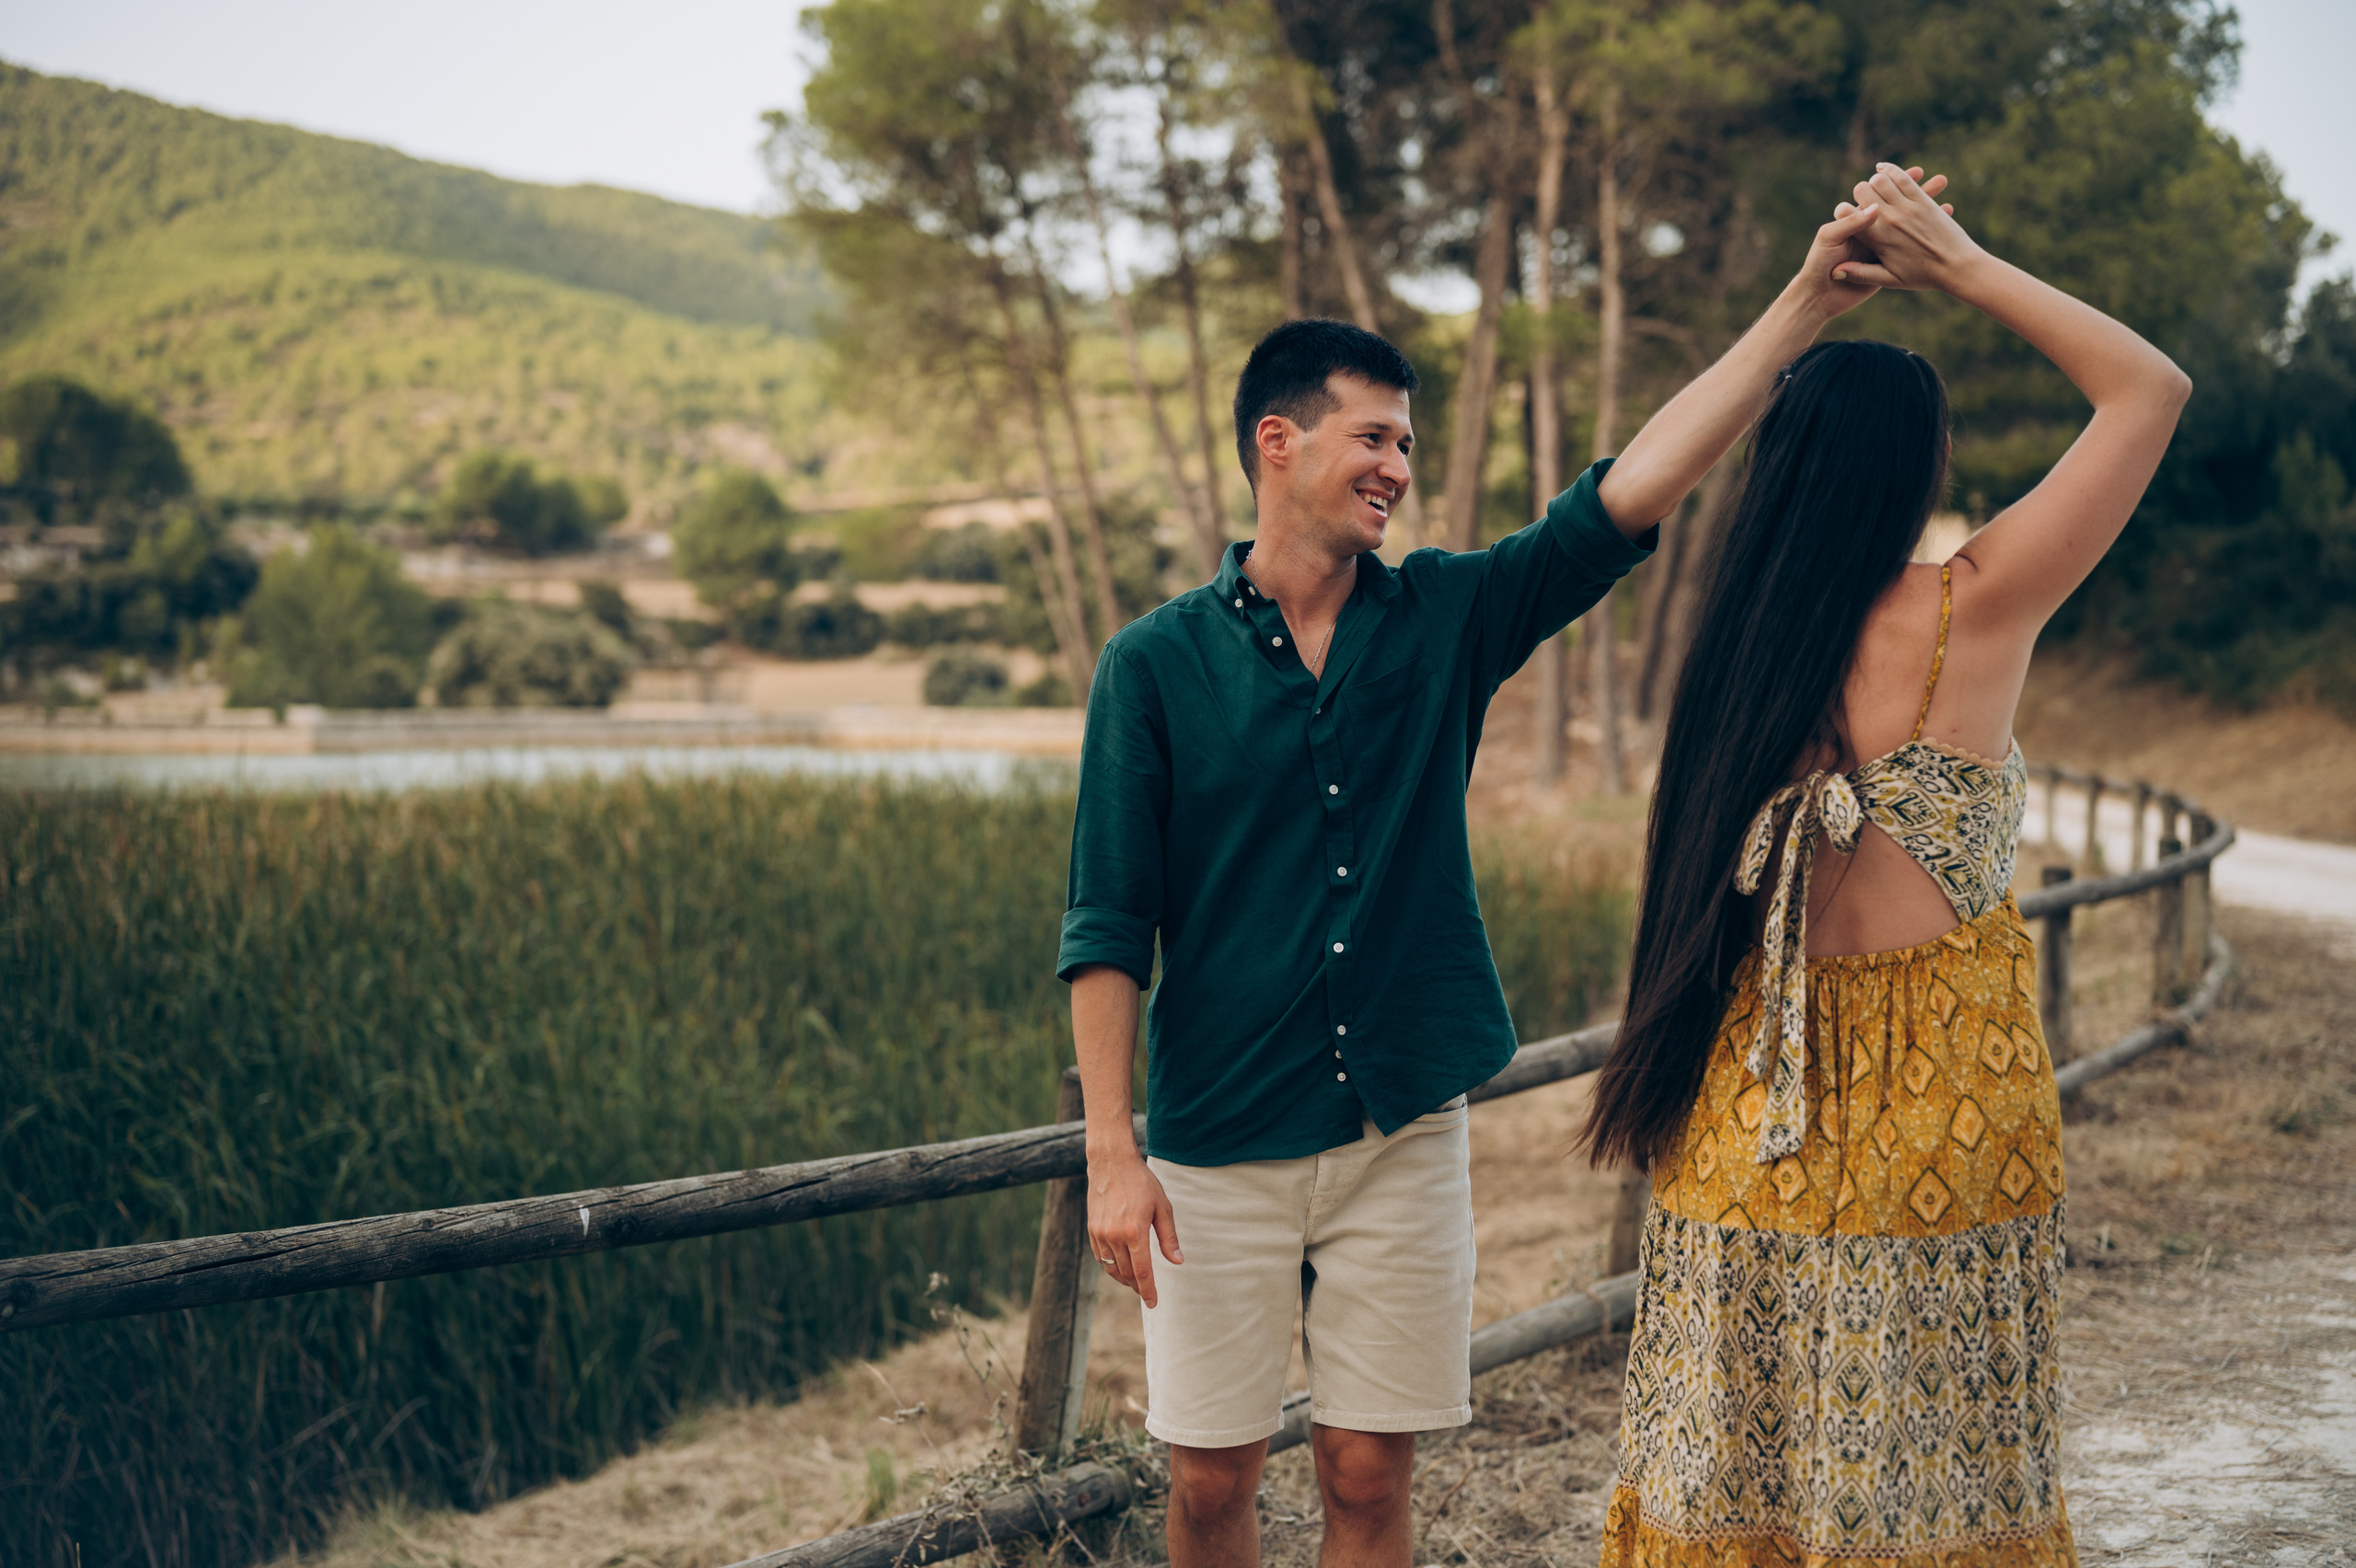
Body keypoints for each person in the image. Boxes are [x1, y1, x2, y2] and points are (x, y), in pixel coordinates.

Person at [1575, 164, 2190, 1564]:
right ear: (1915, 468)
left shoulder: (1731, 650)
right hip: (1947, 1111)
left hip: (1744, 1110)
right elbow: (2149, 392)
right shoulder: (1972, 612)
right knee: (1931, 1499)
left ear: (1778, 470)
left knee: (1734, 1492)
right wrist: (1957, 260)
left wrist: (1817, 291)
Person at [1057, 317, 1656, 1567]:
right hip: (1219, 1146)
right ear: (1278, 441)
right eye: (1373, 437)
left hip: (1403, 1131)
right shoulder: (1152, 667)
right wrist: (1116, 1153)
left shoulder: (1445, 617)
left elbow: (1612, 511)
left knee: (1370, 1472)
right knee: (1214, 1480)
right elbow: (1109, 927)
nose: (1398, 465)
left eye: (1408, 442)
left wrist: (1807, 304)